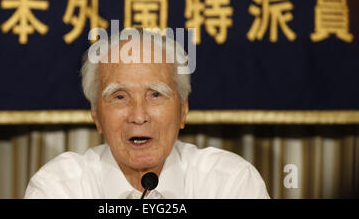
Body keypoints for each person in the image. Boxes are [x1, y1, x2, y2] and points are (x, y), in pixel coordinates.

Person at [24, 28, 270, 199]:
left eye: (155, 95)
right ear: (96, 115)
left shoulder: (228, 182)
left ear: (183, 109)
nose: (139, 116)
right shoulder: (60, 187)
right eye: (120, 97)